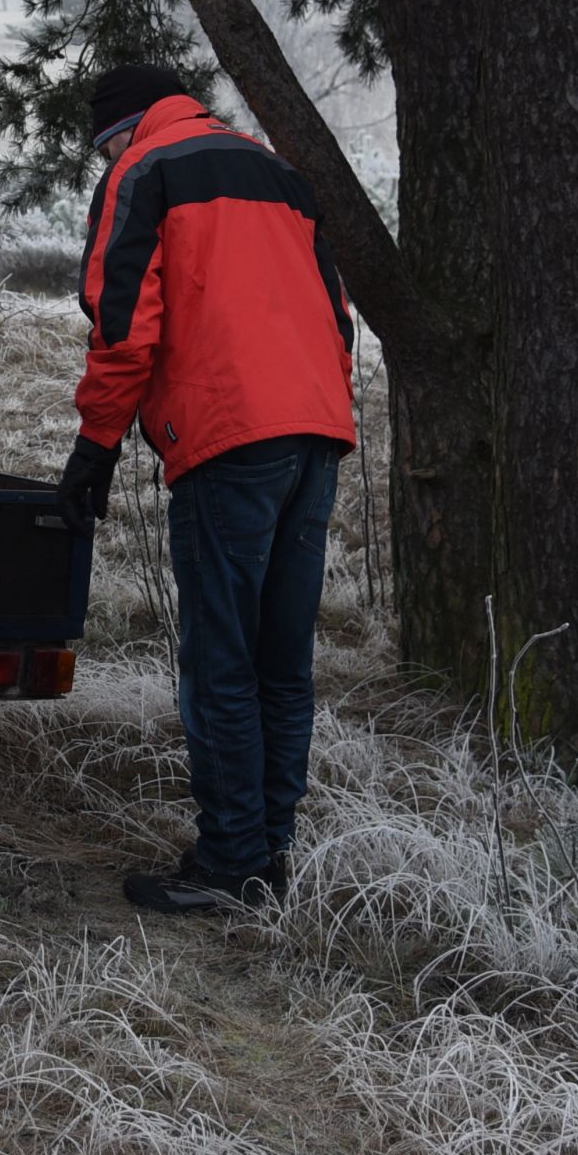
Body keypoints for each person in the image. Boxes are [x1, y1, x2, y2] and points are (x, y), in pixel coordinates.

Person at [55, 64, 358, 916]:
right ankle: (268, 855)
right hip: (317, 431)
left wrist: (94, 446)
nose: (106, 160)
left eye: (104, 148)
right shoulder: (278, 172)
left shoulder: (143, 169)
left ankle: (229, 866)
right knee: (282, 664)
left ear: (119, 131)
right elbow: (337, 321)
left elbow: (123, 325)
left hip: (231, 439)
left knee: (221, 661)